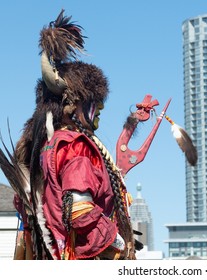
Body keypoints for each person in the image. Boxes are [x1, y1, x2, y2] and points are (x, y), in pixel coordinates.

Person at [8, 10, 139, 260]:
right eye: (95, 104)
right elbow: (80, 211)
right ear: (72, 105)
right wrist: (119, 243)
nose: (100, 110)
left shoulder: (41, 148)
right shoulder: (75, 147)